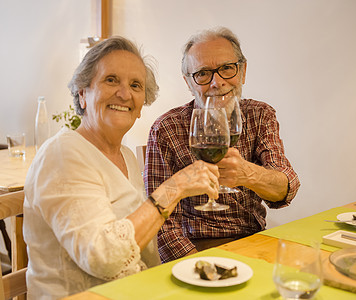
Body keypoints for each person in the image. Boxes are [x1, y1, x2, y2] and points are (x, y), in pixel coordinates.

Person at [23, 36, 220, 299]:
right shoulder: (63, 153)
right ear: (83, 94)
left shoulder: (125, 155)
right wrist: (174, 188)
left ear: (141, 106)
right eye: (111, 80)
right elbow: (103, 258)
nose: (125, 94)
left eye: (135, 85)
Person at [145, 27, 300, 263]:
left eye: (227, 68)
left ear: (243, 71)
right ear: (188, 82)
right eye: (203, 73)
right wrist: (201, 268)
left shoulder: (260, 114)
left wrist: (247, 174)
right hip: (197, 250)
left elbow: (286, 190)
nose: (217, 82)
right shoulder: (166, 128)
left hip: (256, 243)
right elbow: (161, 225)